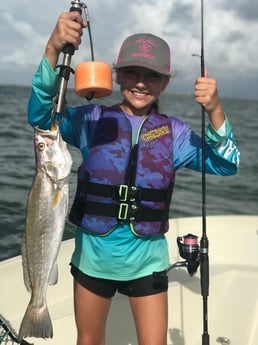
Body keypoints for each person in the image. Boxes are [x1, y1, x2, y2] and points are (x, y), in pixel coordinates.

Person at [28, 11, 240, 345]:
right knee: (88, 341)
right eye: (131, 72)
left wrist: (215, 112)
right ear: (116, 76)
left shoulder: (177, 135)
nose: (141, 82)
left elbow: (227, 164)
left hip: (148, 264)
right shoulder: (91, 119)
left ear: (165, 82)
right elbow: (41, 118)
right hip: (92, 259)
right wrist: (53, 49)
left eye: (152, 75)